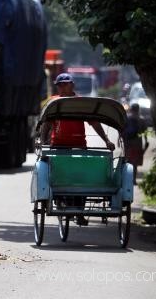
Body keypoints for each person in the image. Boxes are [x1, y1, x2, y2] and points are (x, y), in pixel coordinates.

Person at [40, 73, 115, 226]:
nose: (62, 87)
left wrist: (106, 141)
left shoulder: (81, 103)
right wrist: (42, 141)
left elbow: (94, 123)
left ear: (72, 85)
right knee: (56, 177)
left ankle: (79, 211)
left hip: (79, 146)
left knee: (83, 179)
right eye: (59, 85)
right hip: (58, 147)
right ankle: (60, 201)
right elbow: (46, 125)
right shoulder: (53, 103)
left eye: (65, 84)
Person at [123, 103, 148, 184]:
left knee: (128, 161)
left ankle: (126, 179)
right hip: (137, 143)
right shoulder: (142, 119)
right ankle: (133, 179)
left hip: (128, 143)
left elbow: (123, 130)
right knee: (135, 162)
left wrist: (121, 139)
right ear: (138, 109)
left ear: (131, 109)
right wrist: (146, 142)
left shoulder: (127, 118)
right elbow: (145, 133)